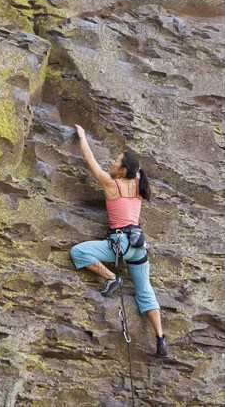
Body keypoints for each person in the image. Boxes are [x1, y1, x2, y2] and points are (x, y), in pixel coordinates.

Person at [69, 124, 168, 357]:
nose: (111, 162)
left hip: (120, 244)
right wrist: (131, 166)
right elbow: (138, 168)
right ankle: (161, 338)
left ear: (123, 171)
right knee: (146, 292)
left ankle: (112, 278)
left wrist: (82, 135)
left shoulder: (110, 184)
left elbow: (87, 156)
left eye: (116, 160)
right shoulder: (139, 185)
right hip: (138, 246)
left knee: (78, 252)